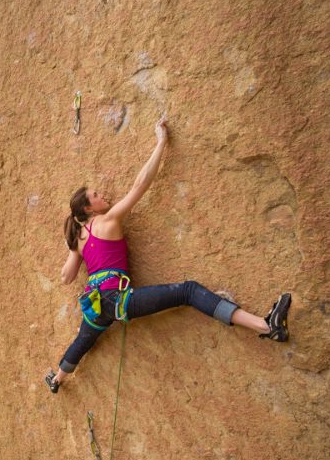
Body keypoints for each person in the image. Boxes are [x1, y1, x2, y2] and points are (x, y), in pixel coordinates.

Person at [46, 115, 291, 393]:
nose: (103, 195)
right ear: (89, 208)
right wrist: (161, 143)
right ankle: (265, 325)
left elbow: (66, 277)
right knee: (187, 291)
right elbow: (140, 185)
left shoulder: (80, 238)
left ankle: (57, 380)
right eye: (96, 195)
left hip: (96, 305)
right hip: (118, 299)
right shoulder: (108, 220)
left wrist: (72, 250)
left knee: (83, 340)